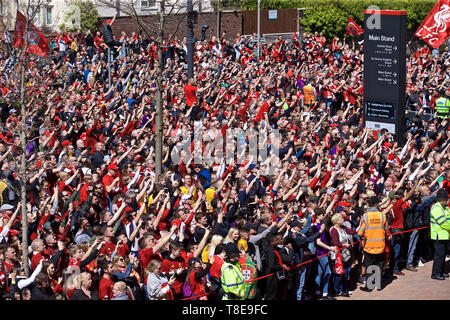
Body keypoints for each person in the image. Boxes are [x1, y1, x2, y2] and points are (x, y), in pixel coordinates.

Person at [358, 196, 392, 291]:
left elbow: (360, 232)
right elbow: (386, 230)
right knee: (379, 265)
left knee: (369, 266)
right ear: (376, 204)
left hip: (369, 246)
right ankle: (379, 285)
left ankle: (369, 287)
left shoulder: (365, 216)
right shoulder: (382, 215)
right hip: (380, 245)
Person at [430, 188, 450, 280]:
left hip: (445, 235)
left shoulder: (445, 208)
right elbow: (443, 223)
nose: (448, 200)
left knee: (443, 255)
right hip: (439, 235)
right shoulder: (436, 208)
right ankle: (436, 273)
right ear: (442, 199)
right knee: (439, 256)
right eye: (446, 199)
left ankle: (441, 272)